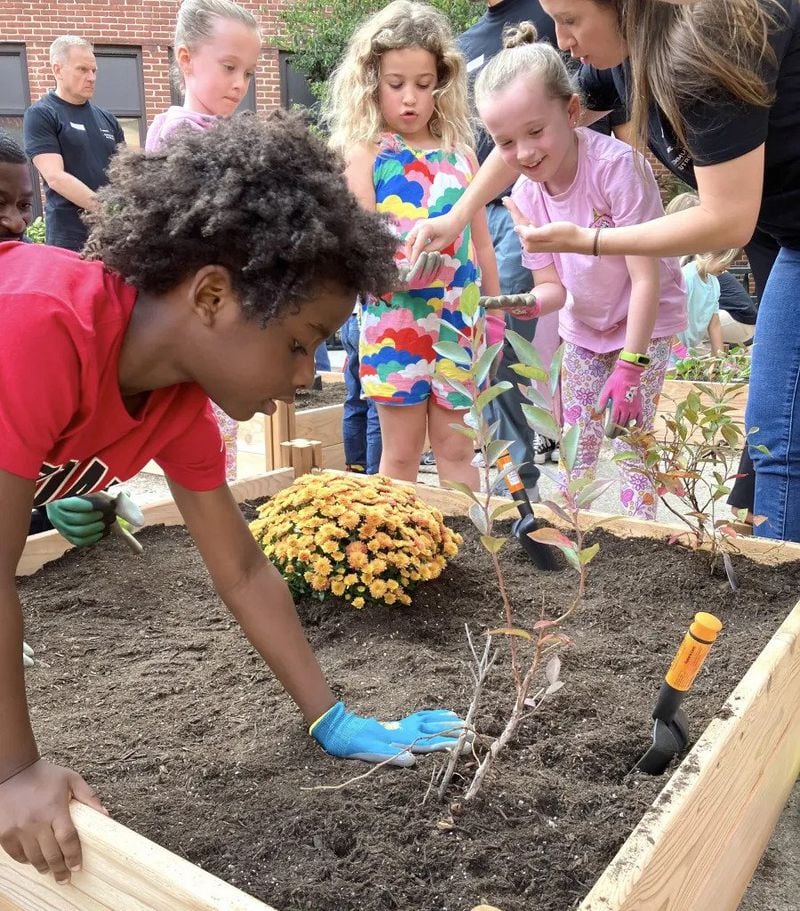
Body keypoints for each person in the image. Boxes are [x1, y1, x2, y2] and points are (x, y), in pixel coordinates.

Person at [0, 113, 466, 886]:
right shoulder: (40, 324)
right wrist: (13, 771)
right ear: (211, 295)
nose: (306, 373)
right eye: (298, 340)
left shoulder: (177, 403)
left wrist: (332, 715)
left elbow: (243, 570)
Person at [407, 0, 800, 542]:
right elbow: (521, 140)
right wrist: (455, 217)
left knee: (779, 441)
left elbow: (726, 220)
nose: (562, 40)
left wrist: (591, 243)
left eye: (570, 20)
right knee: (774, 438)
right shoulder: (622, 57)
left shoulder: (708, 44)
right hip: (779, 236)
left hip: (755, 247)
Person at [474, 23, 687, 517]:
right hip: (586, 329)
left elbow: (646, 278)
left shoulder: (618, 169)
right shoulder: (525, 195)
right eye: (505, 142)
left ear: (572, 111)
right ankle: (578, 537)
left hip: (644, 325)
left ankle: (641, 544)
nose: (523, 153)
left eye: (535, 132)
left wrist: (632, 365)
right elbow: (554, 290)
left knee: (631, 439)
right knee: (576, 444)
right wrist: (522, 301)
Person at [324, 0, 500, 490]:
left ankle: (468, 550)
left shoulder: (462, 154)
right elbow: (358, 243)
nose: (410, 98)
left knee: (460, 449)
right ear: (371, 82)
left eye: (423, 85)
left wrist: (497, 315)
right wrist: (394, 275)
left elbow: (481, 247)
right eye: (395, 83)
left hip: (460, 322)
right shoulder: (367, 152)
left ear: (441, 83)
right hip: (395, 322)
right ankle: (399, 558)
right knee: (399, 458)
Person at [146, 0, 262, 482]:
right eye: (229, 66)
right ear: (186, 59)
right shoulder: (181, 132)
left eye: (249, 72)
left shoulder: (215, 130)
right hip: (196, 304)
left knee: (213, 431)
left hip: (212, 301)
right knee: (203, 433)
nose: (240, 83)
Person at [23, 36, 124, 252]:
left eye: (94, 71)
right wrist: (107, 210)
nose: (91, 77)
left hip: (112, 239)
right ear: (57, 70)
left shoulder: (107, 120)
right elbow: (55, 177)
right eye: (82, 70)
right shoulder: (42, 114)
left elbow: (124, 175)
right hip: (68, 240)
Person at [666, 192, 752, 352]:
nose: (727, 268)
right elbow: (667, 314)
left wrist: (718, 358)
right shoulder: (687, 275)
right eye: (725, 261)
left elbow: (714, 323)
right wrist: (678, 349)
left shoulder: (713, 282)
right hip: (671, 348)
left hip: (737, 322)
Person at [342, 299, 383, 474]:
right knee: (377, 405)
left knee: (354, 400)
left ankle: (357, 467)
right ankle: (376, 473)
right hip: (370, 317)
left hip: (349, 319)